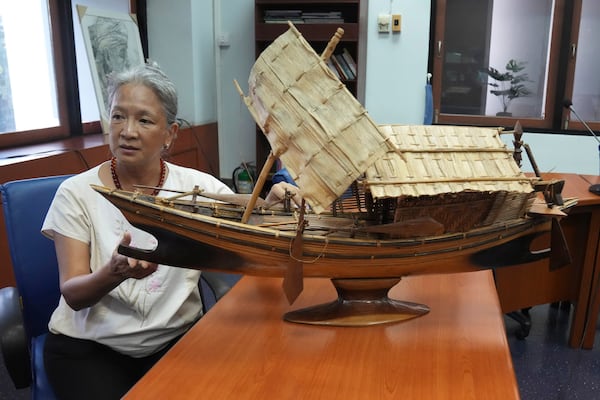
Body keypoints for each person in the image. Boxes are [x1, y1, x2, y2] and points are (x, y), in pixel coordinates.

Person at [41, 62, 235, 399]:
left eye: (144, 120)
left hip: (175, 340)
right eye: (118, 116)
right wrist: (113, 273)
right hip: (89, 348)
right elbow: (72, 295)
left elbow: (247, 211)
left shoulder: (194, 187)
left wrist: (274, 198)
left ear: (170, 134)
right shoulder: (75, 193)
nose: (127, 131)